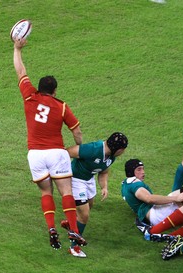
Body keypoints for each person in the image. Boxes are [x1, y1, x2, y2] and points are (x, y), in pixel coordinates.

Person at [13, 37, 87, 250]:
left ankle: (51, 228)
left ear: (40, 88)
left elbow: (20, 71)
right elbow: (77, 132)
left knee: (46, 193)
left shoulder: (30, 96)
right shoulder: (61, 106)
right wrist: (79, 146)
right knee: (66, 193)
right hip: (56, 152)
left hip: (35, 154)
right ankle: (73, 229)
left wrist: (17, 49)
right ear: (55, 91)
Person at [60, 132, 128, 257]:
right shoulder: (92, 149)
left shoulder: (111, 157)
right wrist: (60, 172)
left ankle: (72, 224)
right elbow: (66, 152)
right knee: (84, 215)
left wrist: (104, 187)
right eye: (122, 150)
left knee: (89, 206)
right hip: (75, 179)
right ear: (117, 149)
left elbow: (104, 172)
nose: (123, 153)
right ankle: (74, 247)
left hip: (89, 179)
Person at [121, 159, 183, 241]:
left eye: (143, 169)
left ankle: (167, 236)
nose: (143, 172)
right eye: (139, 169)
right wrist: (175, 198)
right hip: (155, 213)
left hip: (152, 213)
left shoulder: (126, 184)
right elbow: (149, 199)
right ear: (131, 172)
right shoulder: (135, 184)